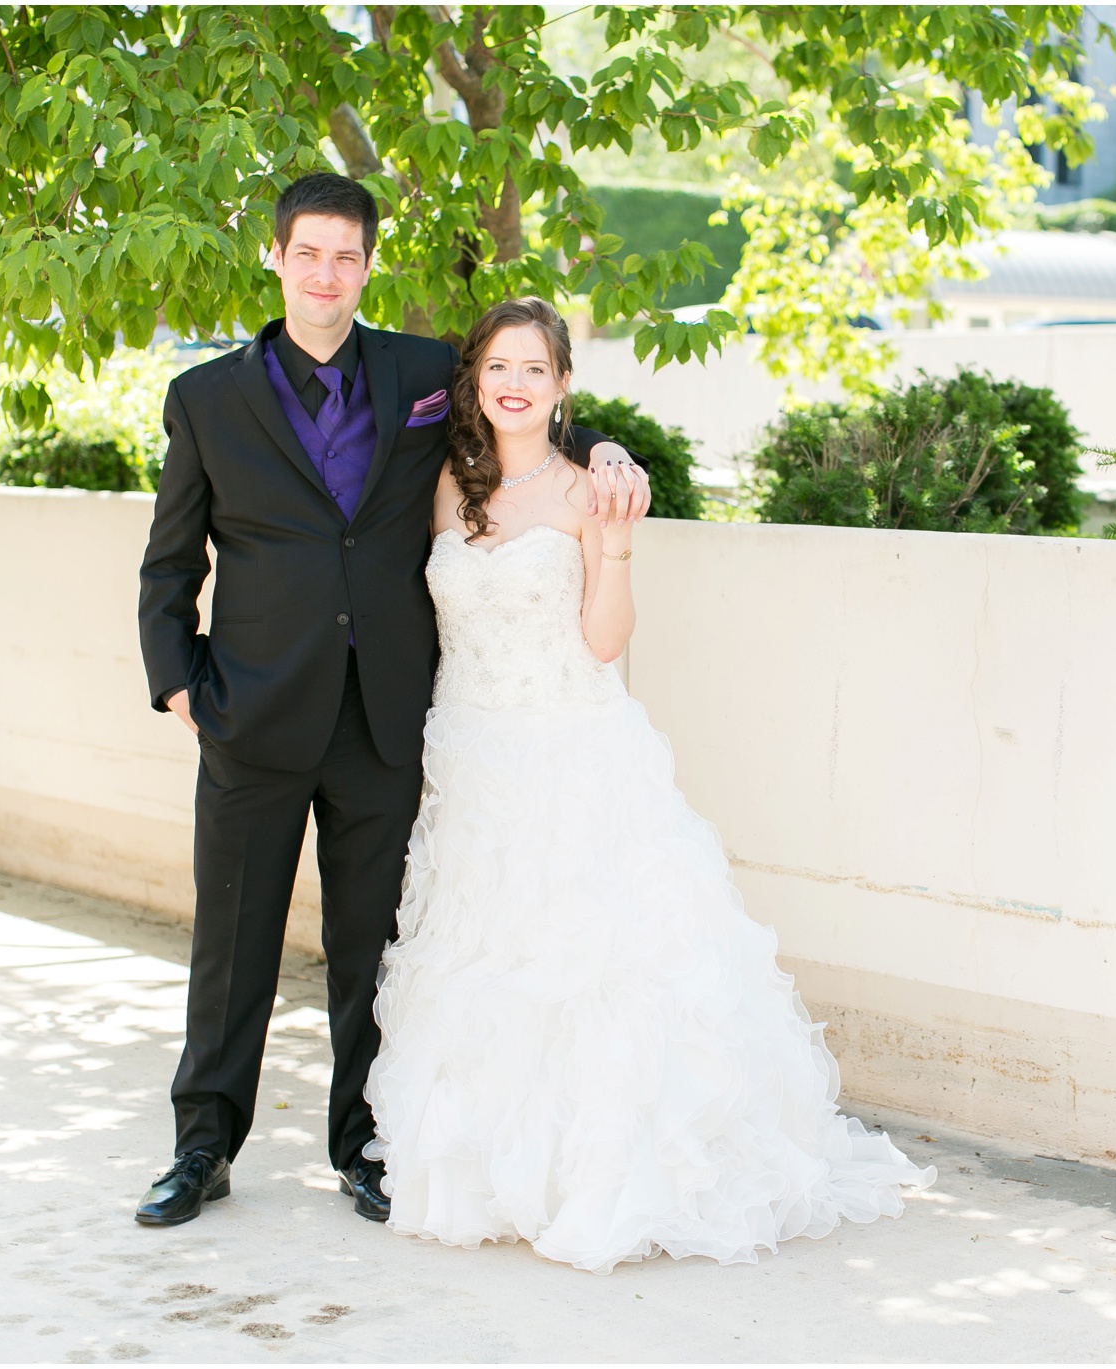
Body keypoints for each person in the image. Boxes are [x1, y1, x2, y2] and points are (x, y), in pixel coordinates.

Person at [361, 297, 934, 1274]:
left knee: (591, 965)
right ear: (474, 382)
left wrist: (615, 541)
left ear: (562, 385)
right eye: (497, 366)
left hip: (569, 751)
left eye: (533, 369)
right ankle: (488, 1166)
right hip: (467, 755)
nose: (512, 383)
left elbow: (601, 642)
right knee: (484, 955)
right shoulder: (444, 493)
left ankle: (597, 1174)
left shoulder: (593, 490)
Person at [132, 173, 648, 1227]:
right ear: (273, 258)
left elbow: (525, 404)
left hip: (384, 716)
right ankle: (201, 1148)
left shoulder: (419, 372)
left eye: (346, 257)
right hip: (254, 713)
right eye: (307, 253)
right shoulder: (206, 398)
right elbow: (168, 560)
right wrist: (179, 681)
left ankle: (363, 1146)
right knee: (233, 943)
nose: (326, 274)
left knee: (374, 948)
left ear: (368, 267)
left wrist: (602, 449)